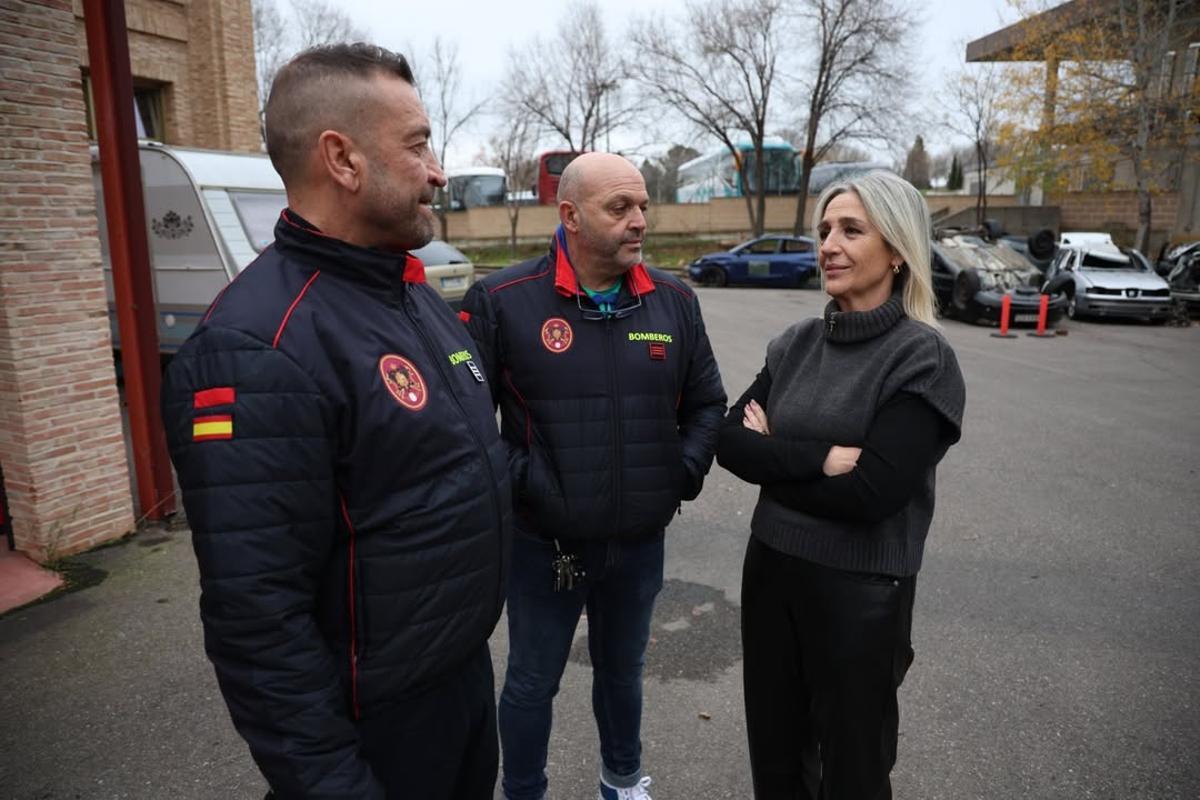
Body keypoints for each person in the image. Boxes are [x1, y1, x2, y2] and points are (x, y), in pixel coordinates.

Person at [160, 43, 511, 800]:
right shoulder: (256, 347)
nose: (438, 170)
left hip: (457, 693)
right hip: (372, 737)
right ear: (342, 160)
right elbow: (257, 621)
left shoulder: (413, 298)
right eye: (417, 145)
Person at [460, 152, 726, 800]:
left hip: (638, 544)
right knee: (530, 680)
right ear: (570, 216)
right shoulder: (501, 300)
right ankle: (522, 791)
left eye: (642, 206)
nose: (639, 221)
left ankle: (623, 780)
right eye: (619, 208)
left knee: (623, 673)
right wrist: (530, 486)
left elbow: (708, 405)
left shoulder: (674, 302)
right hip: (542, 547)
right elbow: (466, 424)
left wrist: (677, 475)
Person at [716, 171, 966, 799]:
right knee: (775, 756)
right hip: (771, 571)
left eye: (851, 230)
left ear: (898, 250)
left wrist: (776, 458)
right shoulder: (795, 343)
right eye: (825, 230)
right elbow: (730, 443)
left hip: (860, 594)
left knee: (853, 768)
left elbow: (872, 495)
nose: (828, 243)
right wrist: (824, 456)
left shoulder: (921, 358)